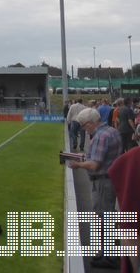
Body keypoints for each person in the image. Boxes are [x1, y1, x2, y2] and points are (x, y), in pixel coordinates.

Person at [68, 107, 122, 269]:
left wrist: (77, 164)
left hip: (102, 181)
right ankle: (108, 253)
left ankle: (109, 256)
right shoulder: (112, 131)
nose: (85, 129)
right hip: (109, 180)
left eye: (85, 126)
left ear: (91, 123)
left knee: (104, 217)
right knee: (108, 217)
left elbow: (94, 164)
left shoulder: (101, 136)